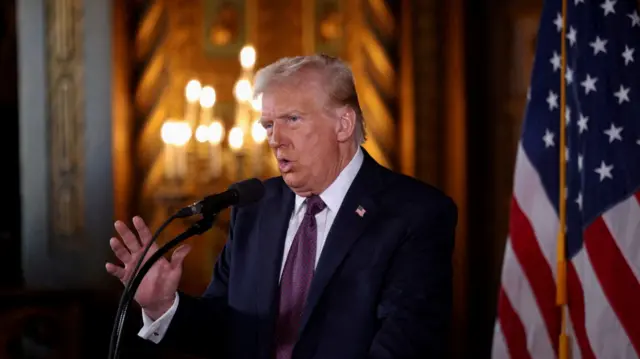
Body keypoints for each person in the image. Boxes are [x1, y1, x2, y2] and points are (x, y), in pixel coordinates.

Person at [106, 54, 457, 359]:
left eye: (292, 119)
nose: (275, 139)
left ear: (343, 124)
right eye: (268, 125)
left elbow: (405, 347)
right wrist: (162, 305)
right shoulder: (255, 207)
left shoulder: (415, 214)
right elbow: (225, 331)